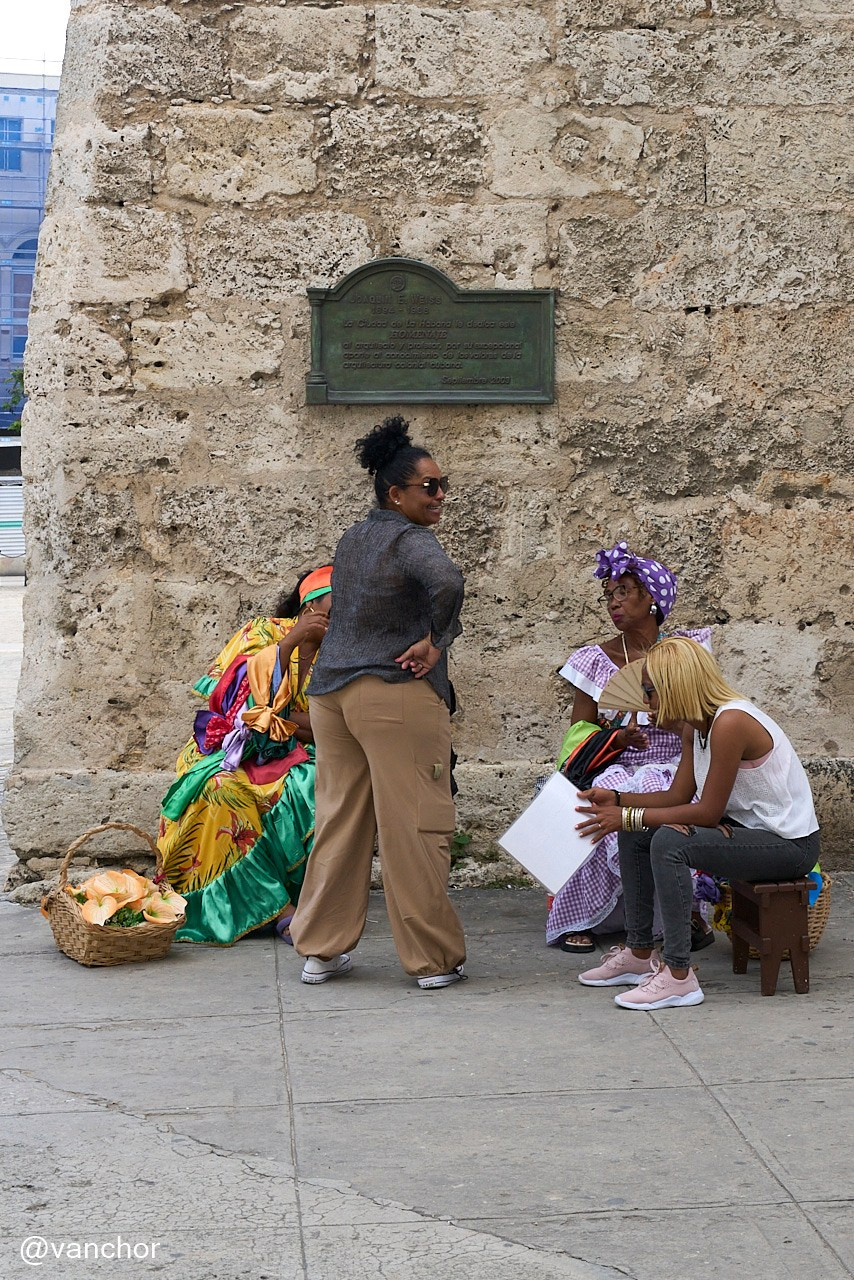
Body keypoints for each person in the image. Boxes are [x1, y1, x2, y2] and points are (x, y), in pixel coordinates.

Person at [288, 415, 467, 990]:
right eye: (430, 487)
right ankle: (432, 960)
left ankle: (320, 949)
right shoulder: (413, 539)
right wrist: (437, 641)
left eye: (443, 486)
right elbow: (448, 580)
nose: (441, 496)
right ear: (397, 493)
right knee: (414, 824)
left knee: (340, 821)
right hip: (392, 696)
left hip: (332, 698)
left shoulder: (356, 536)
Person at [574, 637, 820, 1010]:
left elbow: (705, 812)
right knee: (635, 833)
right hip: (749, 834)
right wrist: (621, 803)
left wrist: (627, 814)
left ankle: (678, 975)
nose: (646, 704)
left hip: (789, 846)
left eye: (651, 692)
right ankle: (640, 954)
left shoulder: (730, 722)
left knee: (669, 844)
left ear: (676, 687)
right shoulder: (697, 727)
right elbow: (676, 797)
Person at [547, 542, 711, 953]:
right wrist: (616, 737)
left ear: (652, 598)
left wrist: (673, 721)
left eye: (623, 592)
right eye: (608, 595)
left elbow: (710, 715)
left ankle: (682, 913)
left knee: (674, 805)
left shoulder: (686, 653)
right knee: (593, 807)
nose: (613, 604)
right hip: (618, 763)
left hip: (679, 760)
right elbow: (579, 733)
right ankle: (582, 915)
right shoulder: (594, 660)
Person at [156, 567, 332, 945]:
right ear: (311, 603)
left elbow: (333, 724)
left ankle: (302, 902)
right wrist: (293, 643)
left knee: (313, 781)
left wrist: (278, 717)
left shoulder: (345, 650)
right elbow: (235, 704)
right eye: (339, 601)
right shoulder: (262, 632)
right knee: (218, 786)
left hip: (301, 750)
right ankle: (278, 910)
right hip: (233, 747)